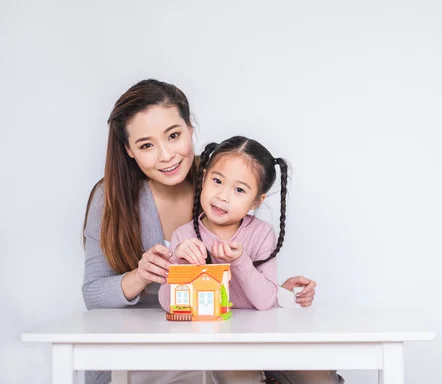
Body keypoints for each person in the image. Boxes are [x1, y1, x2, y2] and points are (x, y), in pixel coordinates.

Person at [83, 79, 318, 384]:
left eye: (174, 135)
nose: (166, 155)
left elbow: (245, 290)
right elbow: (93, 295)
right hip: (148, 352)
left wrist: (276, 293)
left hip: (228, 343)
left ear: (190, 130)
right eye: (146, 145)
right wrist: (142, 275)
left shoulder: (222, 179)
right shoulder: (111, 197)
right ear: (129, 150)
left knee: (315, 371)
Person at [158, 136, 344, 384]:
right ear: (203, 179)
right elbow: (167, 303)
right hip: (222, 344)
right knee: (238, 378)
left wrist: (241, 261)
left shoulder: (261, 233)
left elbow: (266, 300)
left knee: (320, 376)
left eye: (239, 190)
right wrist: (181, 265)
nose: (223, 196)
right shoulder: (185, 235)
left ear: (256, 201)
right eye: (217, 181)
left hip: (267, 338)